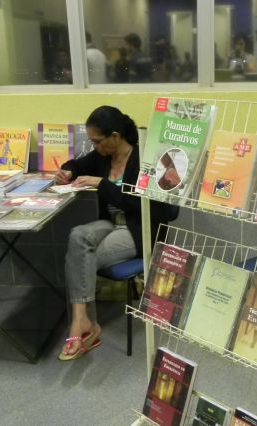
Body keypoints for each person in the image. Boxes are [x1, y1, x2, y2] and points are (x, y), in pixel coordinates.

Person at [55, 106, 175, 360]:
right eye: (92, 142)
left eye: (98, 141)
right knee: (78, 235)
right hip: (111, 224)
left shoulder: (144, 159)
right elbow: (77, 164)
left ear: (115, 136)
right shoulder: (102, 156)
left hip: (139, 228)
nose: (95, 146)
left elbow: (147, 206)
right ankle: (85, 322)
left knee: (78, 259)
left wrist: (103, 184)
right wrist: (67, 171)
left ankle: (81, 324)